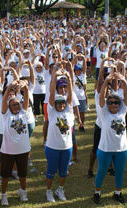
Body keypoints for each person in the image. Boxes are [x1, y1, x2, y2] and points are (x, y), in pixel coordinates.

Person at [93, 72, 127, 205]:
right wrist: (106, 81)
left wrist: (123, 81)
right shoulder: (104, 113)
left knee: (119, 172)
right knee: (101, 171)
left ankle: (118, 192)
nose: (114, 105)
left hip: (121, 149)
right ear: (107, 104)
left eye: (116, 103)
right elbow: (102, 98)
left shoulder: (122, 112)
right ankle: (97, 192)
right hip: (105, 149)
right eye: (111, 103)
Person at [45, 69, 74, 202]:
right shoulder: (52, 113)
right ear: (54, 104)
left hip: (67, 147)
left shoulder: (69, 111)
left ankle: (60, 190)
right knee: (51, 172)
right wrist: (55, 76)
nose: (61, 105)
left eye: (63, 103)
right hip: (52, 147)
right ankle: (49, 191)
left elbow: (70, 94)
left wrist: (68, 77)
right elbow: (52, 93)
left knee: (63, 172)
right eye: (58, 103)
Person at [0, 80, 31, 206]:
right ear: (9, 107)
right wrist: (8, 88)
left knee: (23, 173)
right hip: (8, 150)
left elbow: (27, 100)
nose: (17, 107)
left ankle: (23, 192)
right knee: (5, 174)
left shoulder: (23, 112)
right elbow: (3, 101)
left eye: (18, 104)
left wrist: (26, 89)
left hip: (23, 150)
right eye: (14, 105)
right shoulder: (6, 114)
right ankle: (4, 195)